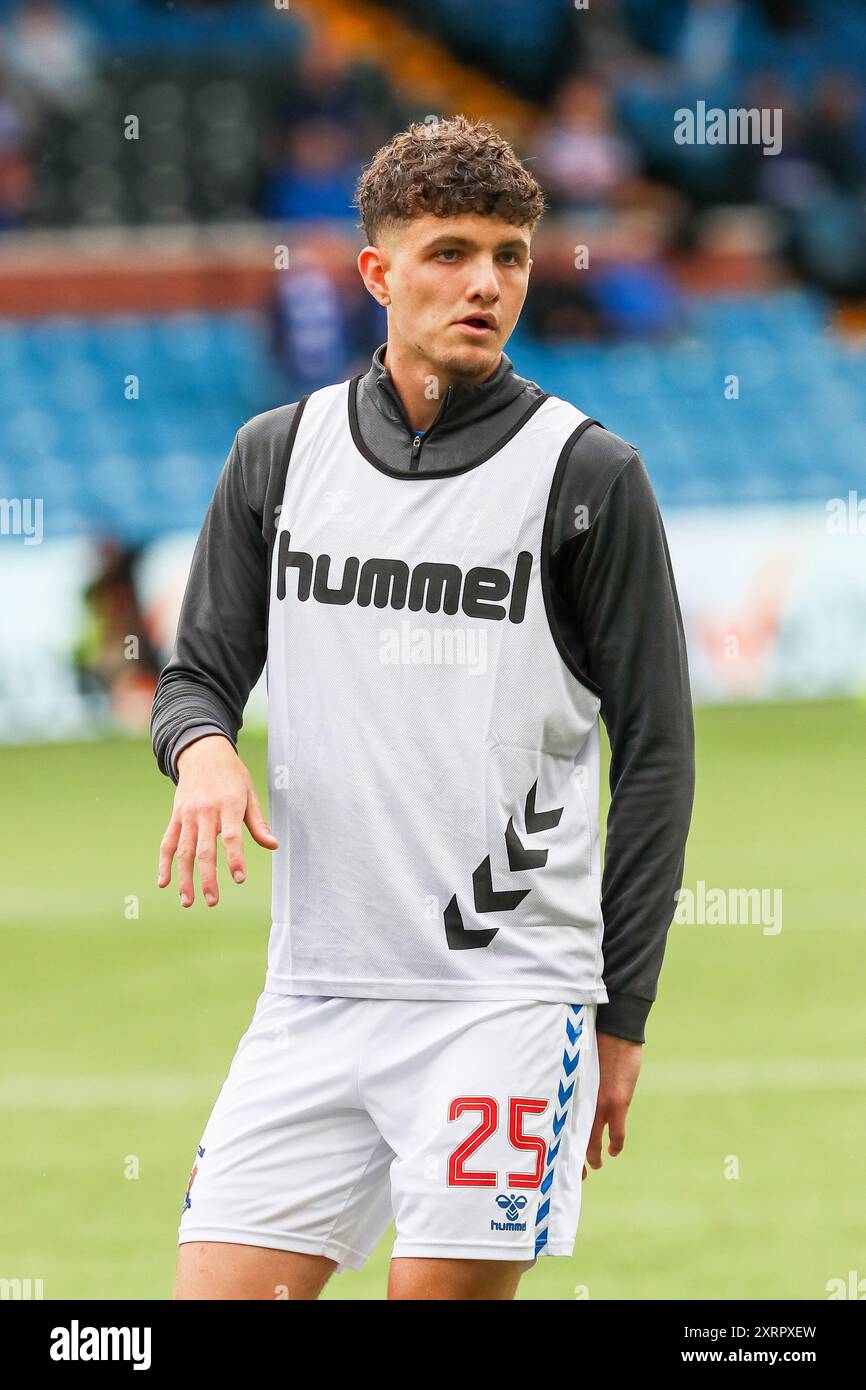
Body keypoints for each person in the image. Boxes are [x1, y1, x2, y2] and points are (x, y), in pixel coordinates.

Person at [151, 114, 695, 1301]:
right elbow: (196, 675)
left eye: (508, 254)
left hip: (501, 997)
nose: (485, 282)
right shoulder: (275, 456)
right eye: (448, 252)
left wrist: (621, 1012)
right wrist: (201, 752)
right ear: (376, 271)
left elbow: (655, 752)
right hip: (313, 990)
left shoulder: (587, 474)